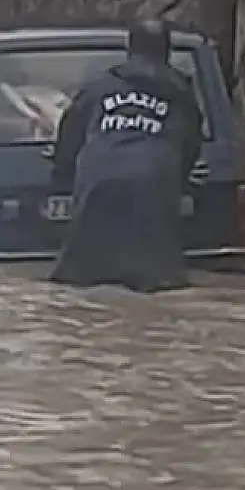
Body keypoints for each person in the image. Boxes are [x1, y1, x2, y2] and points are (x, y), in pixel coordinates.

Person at [47, 19, 204, 293]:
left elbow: (70, 133)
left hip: (98, 183)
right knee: (159, 285)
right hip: (154, 187)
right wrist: (182, 181)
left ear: (129, 48)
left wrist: (61, 176)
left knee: (78, 281)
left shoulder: (100, 87)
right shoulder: (181, 94)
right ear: (167, 52)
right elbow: (191, 144)